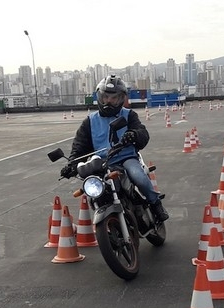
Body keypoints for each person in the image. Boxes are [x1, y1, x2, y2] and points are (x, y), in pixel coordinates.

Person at [61, 75, 169, 222]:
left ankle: (156, 203)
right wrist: (71, 164)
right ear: (100, 97)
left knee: (139, 177)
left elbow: (142, 133)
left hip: (126, 158)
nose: (109, 101)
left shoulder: (129, 115)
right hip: (101, 163)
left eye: (114, 98)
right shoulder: (89, 121)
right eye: (105, 97)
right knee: (94, 190)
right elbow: (79, 146)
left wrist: (133, 134)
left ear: (121, 99)